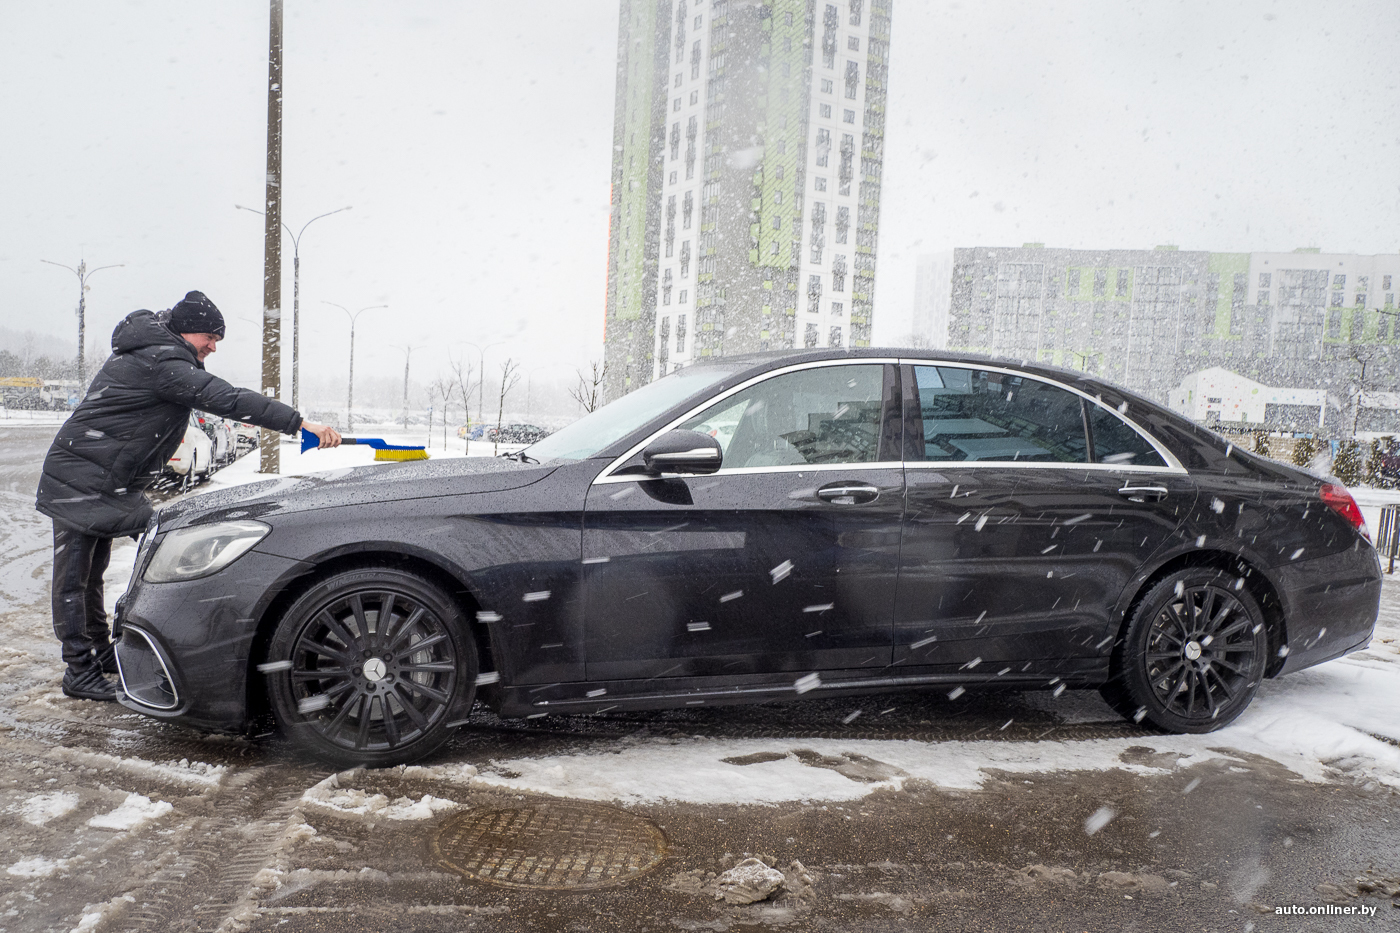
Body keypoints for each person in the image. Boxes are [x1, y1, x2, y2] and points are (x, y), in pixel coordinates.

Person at [34, 291, 341, 701]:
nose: (213, 347)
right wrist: (300, 423)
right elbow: (228, 398)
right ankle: (79, 668)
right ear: (187, 329)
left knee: (92, 573)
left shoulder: (156, 352)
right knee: (90, 571)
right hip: (82, 478)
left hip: (105, 480)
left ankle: (100, 653)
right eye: (210, 337)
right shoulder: (162, 361)